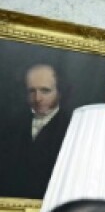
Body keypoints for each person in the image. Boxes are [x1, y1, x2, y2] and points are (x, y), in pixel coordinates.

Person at [0, 63, 72, 199]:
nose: (37, 98)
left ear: (60, 91)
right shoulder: (10, 126)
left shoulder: (72, 127)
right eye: (32, 91)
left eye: (45, 91)